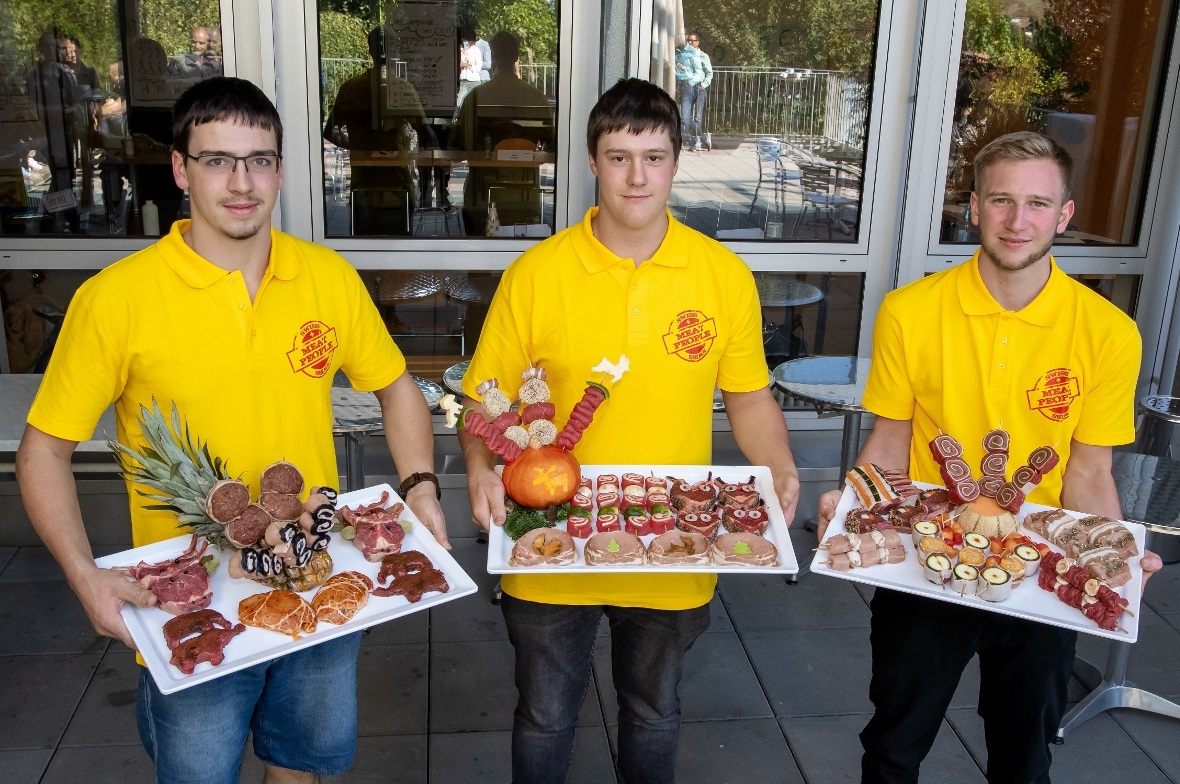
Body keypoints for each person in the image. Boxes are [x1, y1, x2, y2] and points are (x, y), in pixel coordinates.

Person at [15, 76, 448, 784]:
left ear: (281, 169)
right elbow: (44, 451)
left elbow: (398, 389)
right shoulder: (116, 300)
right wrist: (83, 576)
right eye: (217, 160)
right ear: (181, 169)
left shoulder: (326, 279)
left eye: (260, 160)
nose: (242, 183)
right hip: (192, 596)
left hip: (317, 570)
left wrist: (422, 487)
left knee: (301, 764)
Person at [459, 77, 800, 783]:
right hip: (547, 534)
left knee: (653, 711)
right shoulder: (536, 274)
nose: (636, 175)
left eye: (653, 155)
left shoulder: (722, 275)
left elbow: (750, 400)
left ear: (677, 160)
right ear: (592, 161)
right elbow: (480, 405)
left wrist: (781, 470)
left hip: (675, 540)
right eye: (619, 157)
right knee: (545, 714)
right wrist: (478, 468)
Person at [815, 131, 1163, 784]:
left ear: (1064, 215)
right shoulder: (909, 311)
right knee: (893, 744)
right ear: (973, 207)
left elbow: (1089, 469)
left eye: (1037, 204)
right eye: (1001, 200)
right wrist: (856, 502)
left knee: (1025, 756)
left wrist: (1112, 553)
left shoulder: (1109, 332)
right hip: (926, 557)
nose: (1016, 220)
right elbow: (891, 438)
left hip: (1040, 565)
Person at [323, 26, 434, 234]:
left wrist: (354, 146)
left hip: (362, 184)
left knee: (362, 247)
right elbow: (427, 135)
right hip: (398, 184)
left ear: (370, 50)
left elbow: (329, 132)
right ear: (394, 52)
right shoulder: (402, 88)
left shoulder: (350, 87)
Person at [450, 30, 553, 234]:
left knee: (478, 260)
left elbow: (456, 146)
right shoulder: (535, 97)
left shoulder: (476, 97)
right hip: (524, 198)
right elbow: (552, 144)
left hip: (480, 199)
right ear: (516, 57)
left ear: (494, 56)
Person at [677, 33, 711, 152]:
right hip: (687, 87)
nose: (690, 43)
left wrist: (703, 84)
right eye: (688, 41)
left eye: (692, 40)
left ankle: (696, 141)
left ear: (698, 42)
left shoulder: (703, 56)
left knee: (698, 118)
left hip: (699, 87)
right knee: (685, 118)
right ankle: (703, 137)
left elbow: (709, 73)